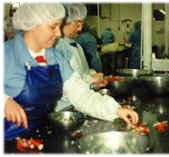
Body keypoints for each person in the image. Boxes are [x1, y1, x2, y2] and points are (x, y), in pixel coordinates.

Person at [4, 3, 138, 141]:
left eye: (60, 26)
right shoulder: (6, 54)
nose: (59, 33)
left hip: (41, 136)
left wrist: (115, 110)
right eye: (53, 27)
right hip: (7, 140)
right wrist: (4, 101)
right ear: (32, 25)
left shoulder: (55, 58)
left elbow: (81, 95)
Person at [54, 4, 106, 111]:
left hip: (79, 102)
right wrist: (91, 81)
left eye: (82, 24)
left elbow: (83, 70)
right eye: (77, 25)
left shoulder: (76, 45)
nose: (80, 29)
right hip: (63, 107)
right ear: (65, 22)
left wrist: (94, 75)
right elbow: (63, 86)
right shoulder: (57, 47)